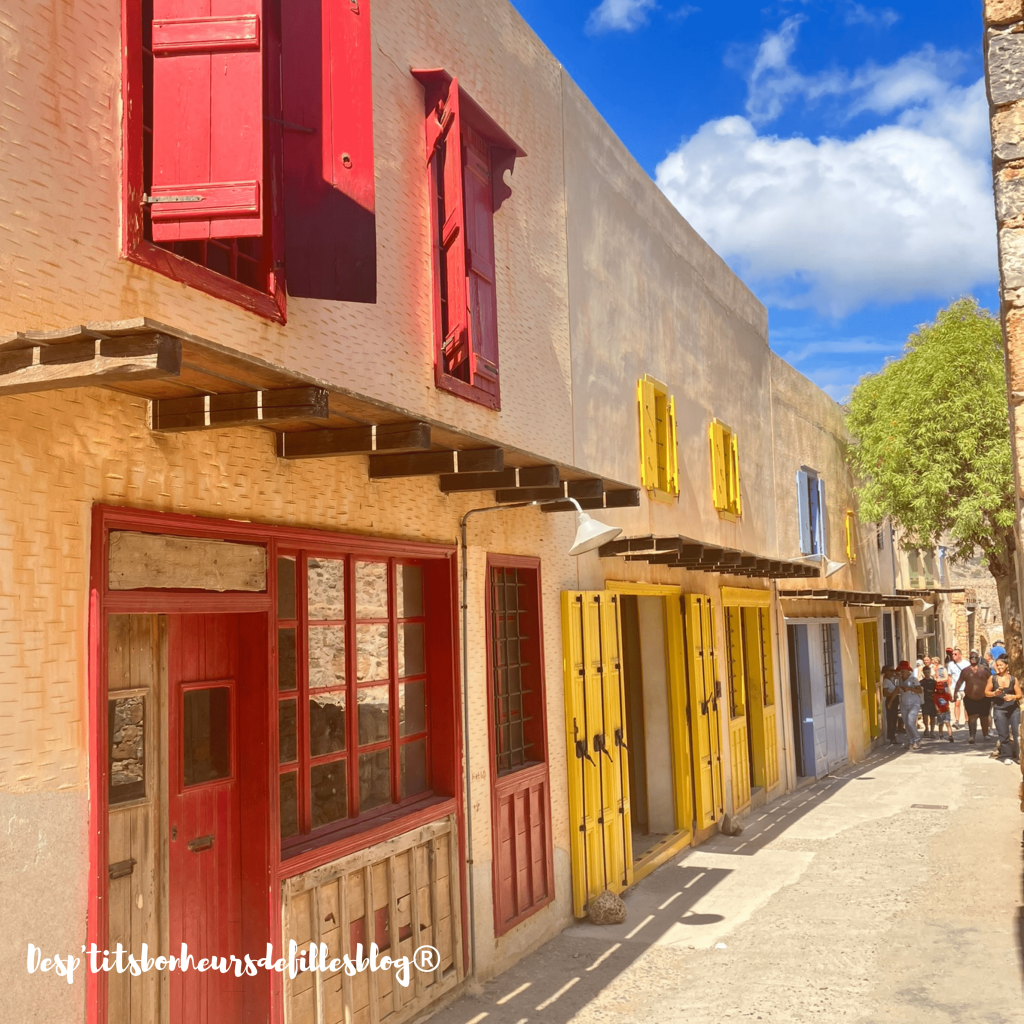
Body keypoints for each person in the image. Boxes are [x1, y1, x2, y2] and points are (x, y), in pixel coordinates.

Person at [985, 657, 1021, 764]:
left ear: (1006, 666)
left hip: (1013, 709)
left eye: (1001, 665)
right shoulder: (993, 678)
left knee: (1016, 733)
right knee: (1003, 733)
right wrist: (994, 693)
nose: (999, 667)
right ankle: (1007, 756)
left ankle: (1019, 756)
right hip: (999, 709)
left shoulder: (1013, 679)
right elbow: (986, 692)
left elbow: (1019, 694)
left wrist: (1013, 697)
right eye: (998, 665)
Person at [959, 651, 994, 744]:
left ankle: (985, 734)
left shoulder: (984, 670)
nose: (973, 659)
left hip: (984, 697)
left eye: (975, 657)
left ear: (978, 658)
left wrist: (994, 693)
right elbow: (959, 682)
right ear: (969, 659)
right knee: (972, 717)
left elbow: (992, 681)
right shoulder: (965, 671)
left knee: (984, 717)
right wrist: (955, 693)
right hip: (970, 698)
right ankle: (972, 736)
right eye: (971, 657)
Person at [897, 660, 923, 750]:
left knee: (910, 721)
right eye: (901, 671)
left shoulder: (913, 679)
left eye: (904, 671)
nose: (902, 673)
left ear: (908, 671)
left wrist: (910, 689)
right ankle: (911, 741)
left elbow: (919, 690)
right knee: (906, 723)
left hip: (914, 703)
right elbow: (897, 690)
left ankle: (917, 739)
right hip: (904, 704)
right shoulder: (899, 680)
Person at [949, 647, 970, 727]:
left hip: (965, 687)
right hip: (955, 687)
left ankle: (967, 721)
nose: (953, 656)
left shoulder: (966, 663)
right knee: (956, 704)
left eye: (955, 654)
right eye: (952, 654)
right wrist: (950, 688)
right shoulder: (950, 664)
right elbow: (950, 677)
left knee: (966, 705)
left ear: (960, 655)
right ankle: (957, 721)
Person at [881, 665, 900, 744]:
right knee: (891, 719)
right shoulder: (886, 681)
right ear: (887, 672)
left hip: (895, 700)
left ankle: (893, 736)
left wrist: (895, 671)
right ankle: (891, 737)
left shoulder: (891, 679)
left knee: (894, 718)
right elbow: (885, 693)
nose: (893, 672)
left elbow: (898, 675)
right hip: (890, 700)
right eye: (891, 670)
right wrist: (893, 695)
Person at [933, 671, 954, 742]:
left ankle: (950, 735)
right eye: (939, 689)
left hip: (946, 710)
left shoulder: (946, 694)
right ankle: (940, 735)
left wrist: (953, 697)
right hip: (940, 711)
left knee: (947, 723)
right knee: (940, 723)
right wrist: (937, 709)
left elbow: (951, 700)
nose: (940, 690)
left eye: (941, 689)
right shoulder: (935, 695)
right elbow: (935, 703)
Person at [920, 665, 937, 738]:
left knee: (933, 716)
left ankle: (932, 731)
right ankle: (926, 729)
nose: (927, 674)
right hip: (925, 701)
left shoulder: (934, 682)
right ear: (923, 673)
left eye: (928, 672)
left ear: (930, 672)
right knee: (925, 715)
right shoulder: (921, 682)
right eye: (925, 672)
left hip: (933, 700)